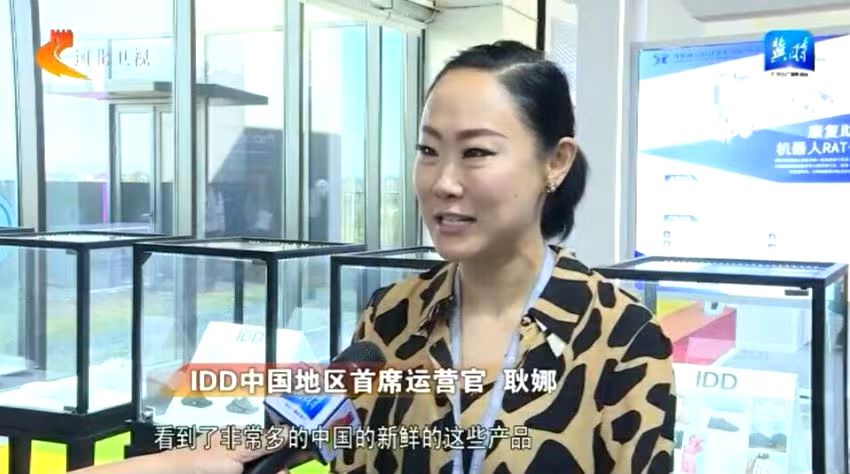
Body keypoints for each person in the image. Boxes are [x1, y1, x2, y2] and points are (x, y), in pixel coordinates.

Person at [72, 39, 675, 474]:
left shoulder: (621, 337)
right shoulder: (390, 319)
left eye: (476, 153)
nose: (443, 182)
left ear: (555, 162)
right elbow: (325, 445)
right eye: (428, 151)